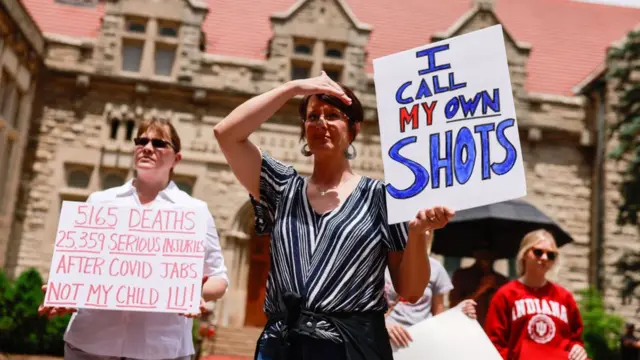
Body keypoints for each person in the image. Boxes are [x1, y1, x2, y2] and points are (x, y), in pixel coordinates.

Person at [213, 71, 455, 360]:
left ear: (353, 129)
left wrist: (416, 234)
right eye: (313, 116)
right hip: (284, 347)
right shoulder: (282, 189)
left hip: (352, 348)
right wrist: (294, 87)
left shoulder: (381, 198)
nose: (321, 123)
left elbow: (412, 291)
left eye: (333, 115)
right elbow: (226, 133)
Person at [38, 118, 229, 360]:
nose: (148, 147)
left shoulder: (194, 211)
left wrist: (193, 291)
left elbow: (219, 278)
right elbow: (80, 267)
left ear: (176, 159)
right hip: (91, 344)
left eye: (159, 143)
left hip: (159, 349)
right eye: (141, 141)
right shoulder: (100, 202)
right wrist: (64, 291)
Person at [484, 229, 587, 360]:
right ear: (524, 254)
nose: (544, 258)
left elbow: (575, 338)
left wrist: (577, 348)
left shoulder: (564, 297)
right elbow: (494, 343)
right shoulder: (506, 295)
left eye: (551, 255)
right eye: (538, 252)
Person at [384, 230, 477, 349]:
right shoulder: (382, 264)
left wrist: (459, 311)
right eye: (422, 227)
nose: (426, 233)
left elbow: (439, 315)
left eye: (430, 229)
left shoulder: (436, 268)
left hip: (421, 340)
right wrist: (384, 326)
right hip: (387, 341)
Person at [449, 240, 508, 327]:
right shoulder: (462, 276)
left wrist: (496, 289)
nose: (485, 256)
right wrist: (480, 290)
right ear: (475, 253)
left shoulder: (501, 280)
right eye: (481, 252)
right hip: (468, 327)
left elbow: (506, 310)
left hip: (494, 329)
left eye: (489, 252)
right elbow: (454, 306)